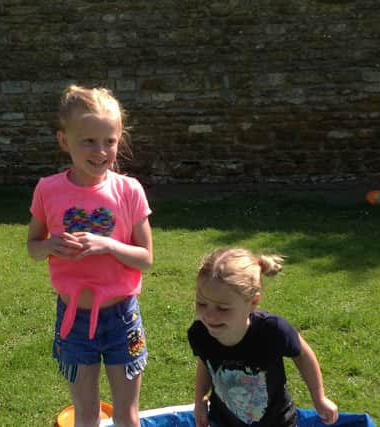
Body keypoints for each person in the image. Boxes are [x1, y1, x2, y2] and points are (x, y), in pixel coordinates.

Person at [27, 84, 153, 427]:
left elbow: (146, 257)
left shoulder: (129, 191)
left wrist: (108, 245)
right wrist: (49, 245)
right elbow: (33, 247)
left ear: (119, 139)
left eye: (109, 141)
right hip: (73, 318)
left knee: (127, 415)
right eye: (88, 141)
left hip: (122, 318)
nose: (101, 151)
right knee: (86, 414)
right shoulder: (48, 189)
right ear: (64, 141)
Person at [188, 248, 338, 427]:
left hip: (276, 422)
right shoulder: (201, 333)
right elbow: (206, 363)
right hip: (224, 421)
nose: (210, 316)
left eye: (223, 308)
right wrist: (199, 402)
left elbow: (303, 355)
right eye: (202, 303)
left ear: (253, 302)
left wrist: (319, 397)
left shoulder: (272, 331)